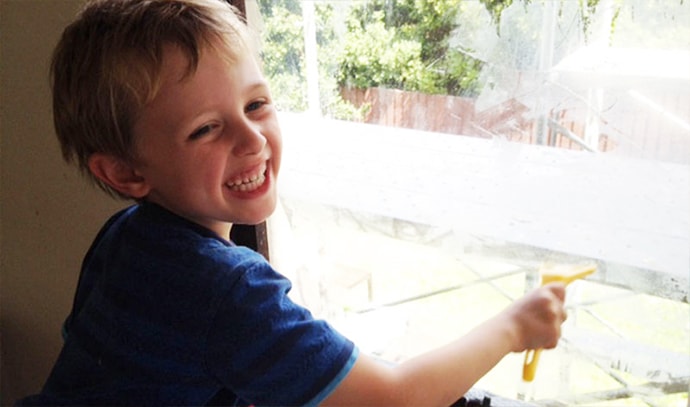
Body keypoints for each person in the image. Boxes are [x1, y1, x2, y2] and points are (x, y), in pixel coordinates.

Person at [18, 0, 567, 405]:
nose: (253, 139)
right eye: (206, 128)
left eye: (256, 104)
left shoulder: (125, 237)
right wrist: (515, 327)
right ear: (125, 170)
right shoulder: (226, 290)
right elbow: (396, 399)